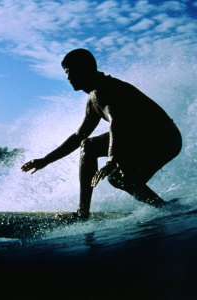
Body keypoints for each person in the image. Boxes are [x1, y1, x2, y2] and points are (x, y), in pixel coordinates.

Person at [21, 49, 182, 220]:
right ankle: (167, 209)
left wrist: (113, 158)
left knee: (96, 153)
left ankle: (82, 213)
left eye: (70, 72)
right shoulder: (93, 98)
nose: (68, 78)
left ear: (86, 69)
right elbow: (78, 136)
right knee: (120, 178)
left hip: (163, 138)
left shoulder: (103, 90)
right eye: (66, 73)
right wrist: (45, 160)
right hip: (158, 138)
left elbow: (117, 122)